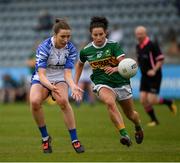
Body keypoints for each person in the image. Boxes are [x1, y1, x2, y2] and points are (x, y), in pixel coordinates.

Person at [74, 16, 144, 147]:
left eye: (101, 34)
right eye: (95, 35)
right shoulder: (86, 51)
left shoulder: (113, 46)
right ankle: (124, 134)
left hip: (121, 82)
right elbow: (79, 65)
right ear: (91, 35)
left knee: (130, 114)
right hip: (102, 82)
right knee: (110, 103)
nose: (99, 37)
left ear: (105, 33)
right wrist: (75, 84)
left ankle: (138, 126)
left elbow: (124, 62)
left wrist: (116, 68)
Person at [29, 18, 85, 154]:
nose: (66, 39)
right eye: (63, 36)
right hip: (43, 78)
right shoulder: (44, 47)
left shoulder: (71, 48)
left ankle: (75, 140)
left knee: (63, 102)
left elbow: (67, 74)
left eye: (68, 36)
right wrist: (50, 86)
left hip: (60, 77)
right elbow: (41, 74)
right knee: (34, 102)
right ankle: (45, 138)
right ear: (55, 35)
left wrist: (73, 86)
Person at [134, 26, 177, 127]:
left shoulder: (152, 45)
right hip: (144, 76)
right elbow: (139, 59)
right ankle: (154, 120)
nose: (139, 36)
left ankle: (169, 102)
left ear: (145, 33)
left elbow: (161, 59)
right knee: (143, 100)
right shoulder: (138, 46)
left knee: (152, 100)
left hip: (155, 76)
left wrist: (154, 70)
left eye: (141, 33)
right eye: (137, 34)